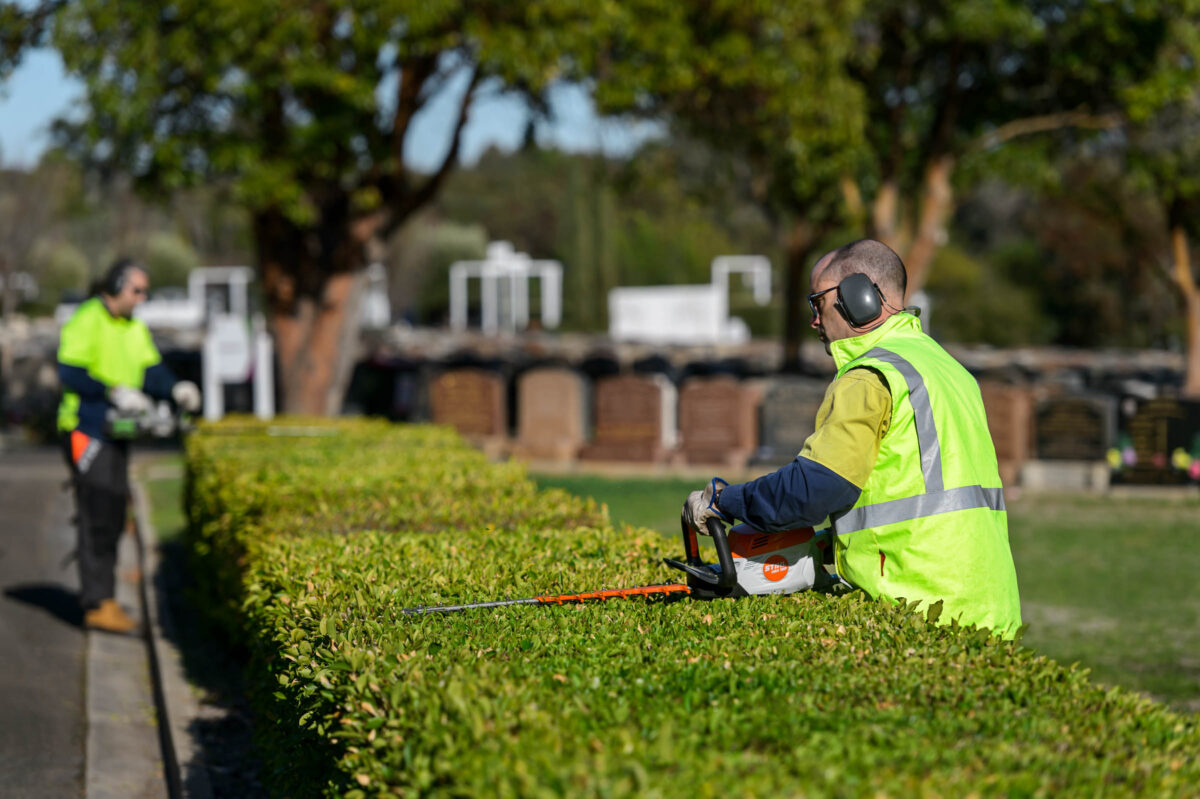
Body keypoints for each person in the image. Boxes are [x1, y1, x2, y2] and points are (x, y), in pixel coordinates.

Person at [684, 239, 1021, 637]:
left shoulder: (870, 376)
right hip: (989, 610)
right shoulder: (947, 367)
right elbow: (923, 499)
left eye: (817, 303)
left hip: (918, 607)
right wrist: (829, 543)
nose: (814, 320)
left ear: (857, 297)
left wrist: (725, 501)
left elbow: (813, 491)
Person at [57, 258, 202, 633]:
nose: (142, 298)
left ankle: (104, 598)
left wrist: (175, 388)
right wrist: (111, 391)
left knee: (113, 512)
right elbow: (70, 372)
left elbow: (151, 370)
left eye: (145, 292)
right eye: (137, 290)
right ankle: (97, 603)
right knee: (97, 514)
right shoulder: (88, 319)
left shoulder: (133, 327)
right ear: (116, 286)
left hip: (116, 431)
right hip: (85, 430)